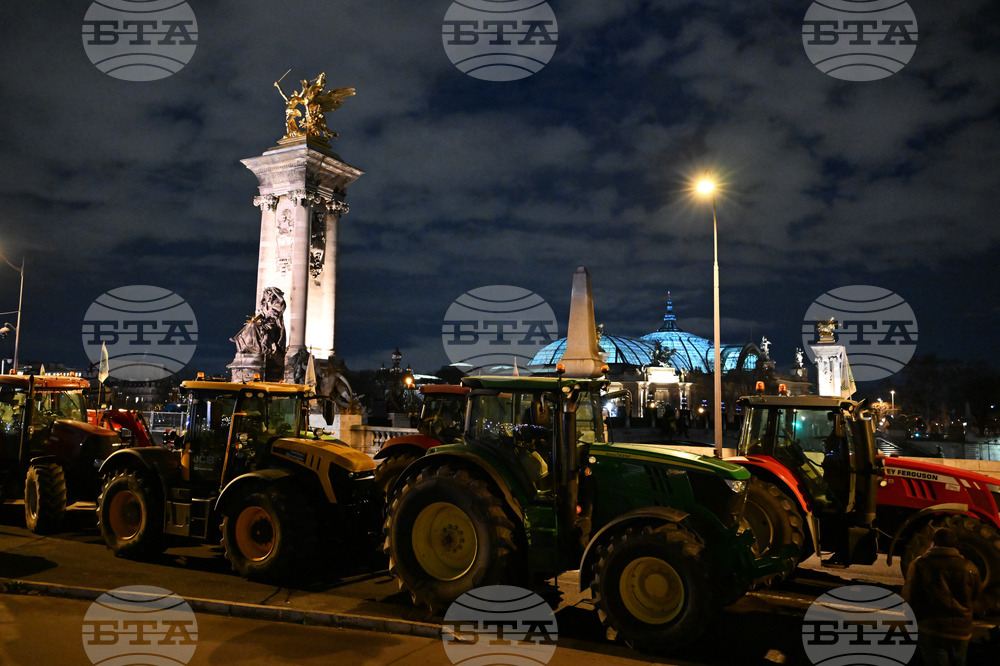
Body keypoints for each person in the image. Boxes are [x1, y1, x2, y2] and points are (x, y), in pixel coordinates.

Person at [902, 527, 983, 666]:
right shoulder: (970, 567)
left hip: (932, 629)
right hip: (962, 632)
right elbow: (976, 598)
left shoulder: (920, 564)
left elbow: (910, 597)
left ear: (933, 543)